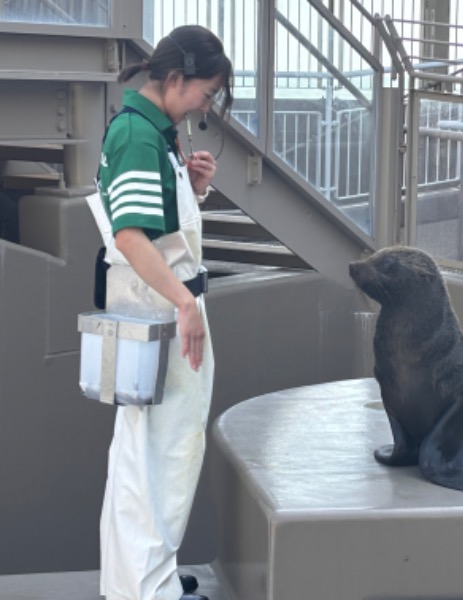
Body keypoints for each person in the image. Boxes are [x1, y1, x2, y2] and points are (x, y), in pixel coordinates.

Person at [93, 25, 233, 600]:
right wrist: (184, 303)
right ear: (176, 78)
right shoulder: (138, 135)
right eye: (207, 90)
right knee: (160, 455)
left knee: (149, 452)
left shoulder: (152, 131)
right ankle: (149, 590)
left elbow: (153, 228)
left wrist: (193, 191)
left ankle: (147, 580)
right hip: (162, 313)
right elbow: (129, 236)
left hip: (159, 311)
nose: (207, 103)